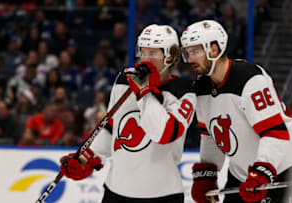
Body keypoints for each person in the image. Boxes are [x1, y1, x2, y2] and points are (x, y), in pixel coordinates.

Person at [60, 24, 198, 202]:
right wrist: (88, 157)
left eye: (153, 54)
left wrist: (145, 92)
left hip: (162, 195)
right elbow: (111, 127)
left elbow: (163, 133)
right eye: (143, 52)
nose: (146, 59)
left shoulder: (183, 92)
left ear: (170, 56)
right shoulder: (124, 81)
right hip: (116, 192)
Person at [180, 20, 292, 203]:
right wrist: (207, 175)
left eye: (195, 52)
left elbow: (275, 133)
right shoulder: (201, 87)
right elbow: (210, 136)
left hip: (280, 172)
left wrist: (260, 173)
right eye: (187, 53)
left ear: (214, 49)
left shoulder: (250, 79)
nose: (189, 59)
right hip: (243, 174)